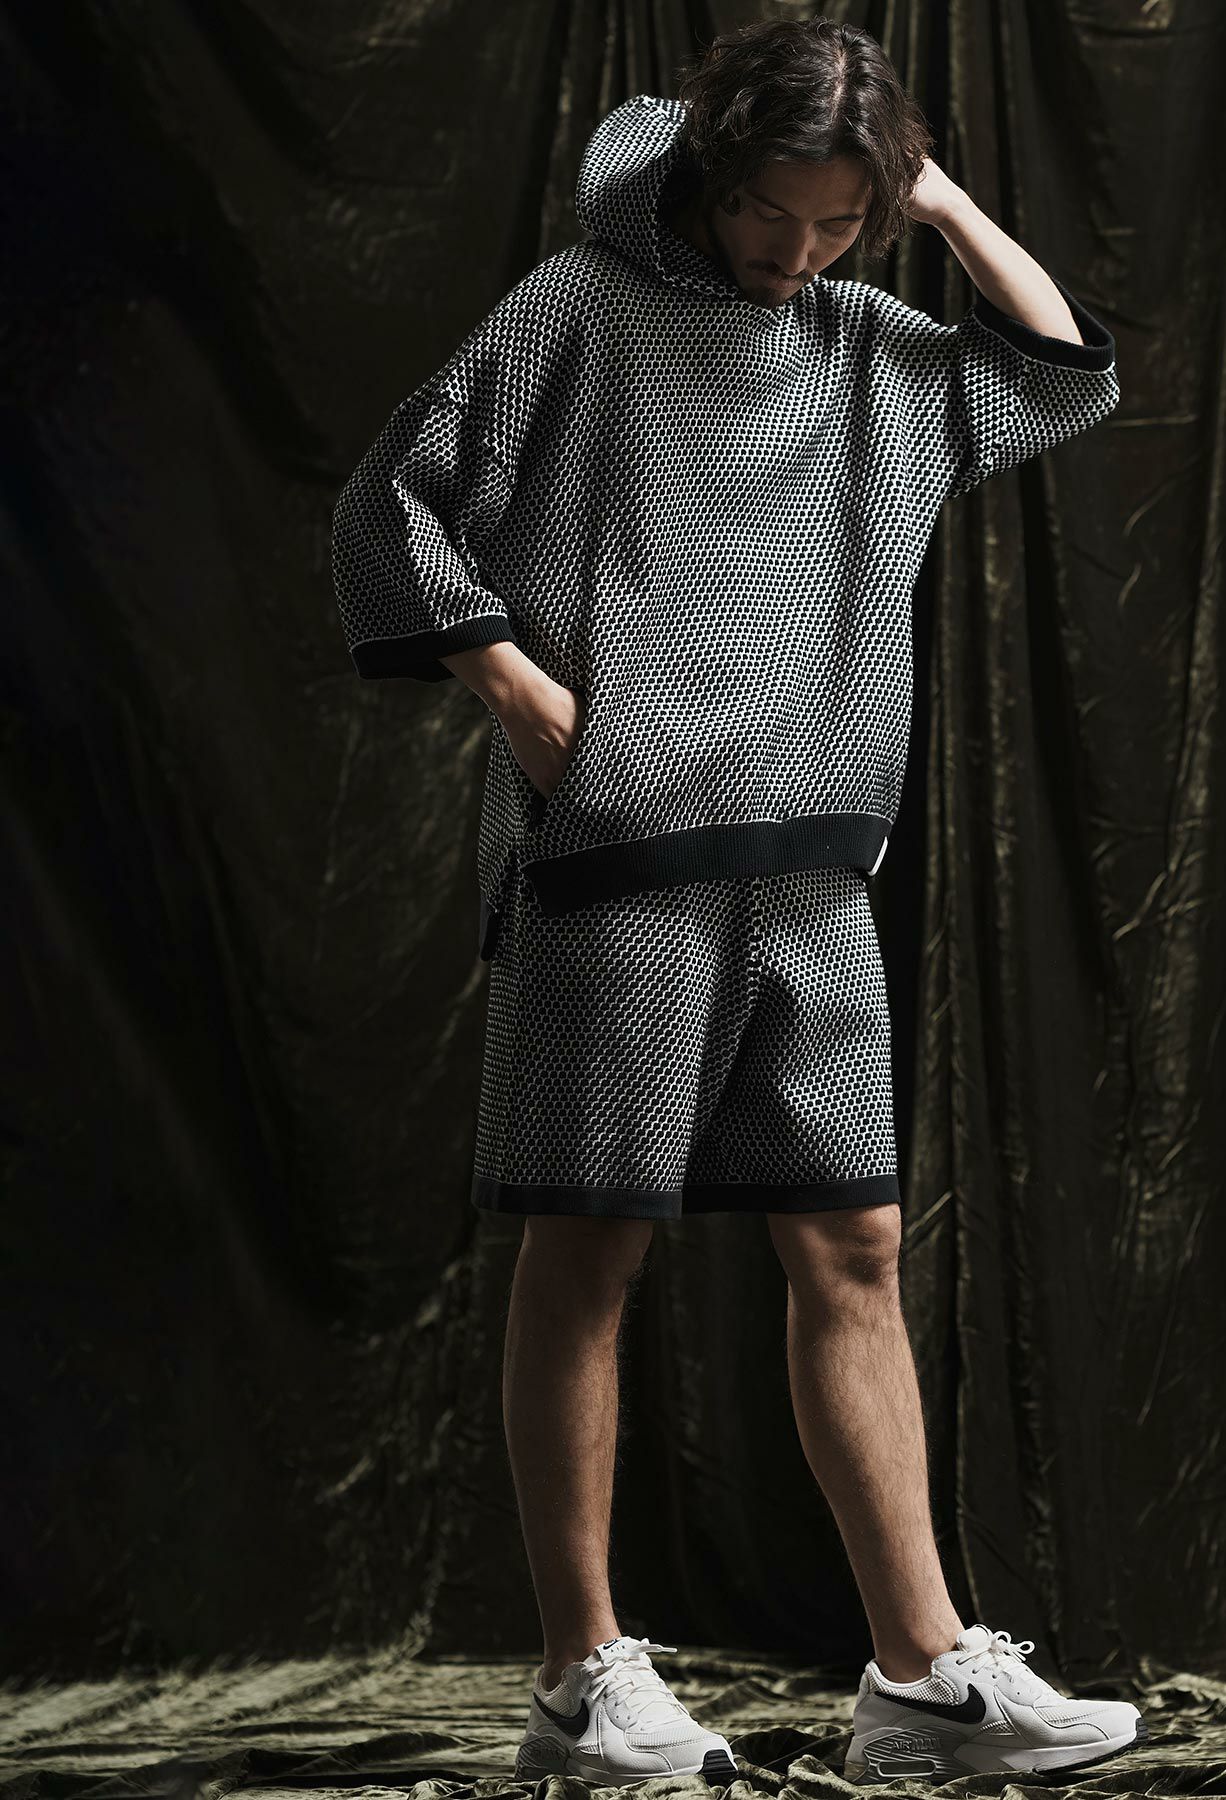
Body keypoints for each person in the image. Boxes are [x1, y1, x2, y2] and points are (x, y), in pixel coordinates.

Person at [330, 16, 1140, 1789]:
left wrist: (935, 204)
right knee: (590, 1251)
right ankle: (580, 1681)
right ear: (709, 171)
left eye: (842, 223)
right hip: (619, 856)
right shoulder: (579, 308)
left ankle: (923, 1680)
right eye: (775, 211)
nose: (799, 251)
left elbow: (1066, 371)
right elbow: (392, 503)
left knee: (855, 1247)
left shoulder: (866, 344)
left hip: (811, 867)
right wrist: (516, 688)